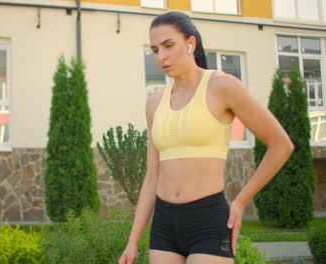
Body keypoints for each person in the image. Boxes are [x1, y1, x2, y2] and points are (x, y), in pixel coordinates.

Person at [118, 11, 294, 264]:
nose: (161, 57)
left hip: (208, 220)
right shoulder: (154, 102)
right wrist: (133, 241)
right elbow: (152, 176)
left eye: (169, 46)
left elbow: (281, 145)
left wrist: (241, 201)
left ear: (190, 44)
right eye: (155, 50)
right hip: (164, 225)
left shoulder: (222, 86)